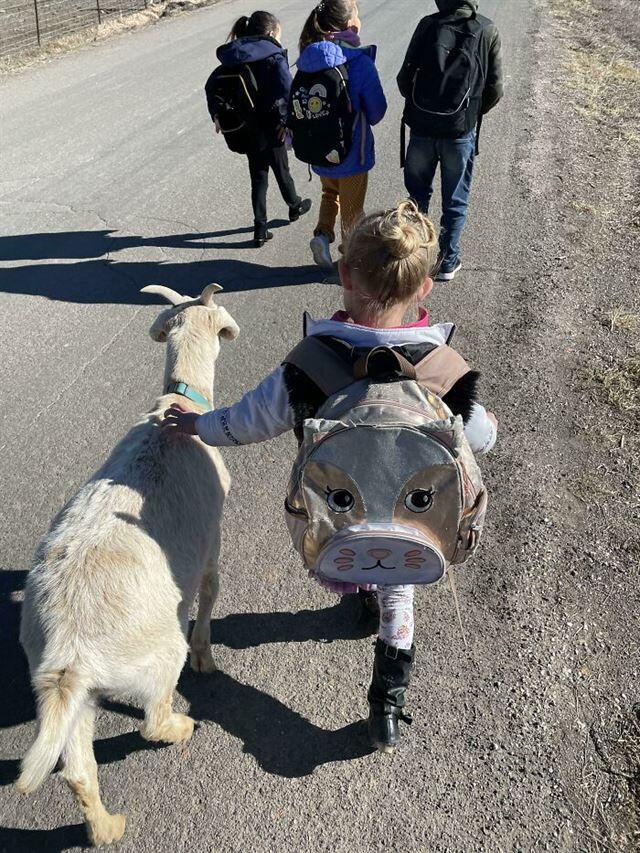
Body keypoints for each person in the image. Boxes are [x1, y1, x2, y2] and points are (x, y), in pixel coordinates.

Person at [162, 201, 497, 751]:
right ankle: (387, 703)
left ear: (344, 274)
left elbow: (247, 422)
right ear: (425, 289)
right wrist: (489, 424)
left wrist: (198, 422)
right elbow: (477, 439)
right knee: (400, 596)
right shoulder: (444, 370)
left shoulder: (312, 362)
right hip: (415, 524)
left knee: (356, 530)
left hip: (335, 521)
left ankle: (360, 584)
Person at [397, 0, 503, 280]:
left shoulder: (428, 25)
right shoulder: (487, 30)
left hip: (421, 128)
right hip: (459, 131)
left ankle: (413, 257)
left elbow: (403, 79)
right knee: (455, 200)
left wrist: (422, 105)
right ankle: (447, 262)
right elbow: (495, 88)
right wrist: (470, 111)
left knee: (417, 196)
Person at [296, 1, 387, 270]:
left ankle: (322, 235)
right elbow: (377, 111)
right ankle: (348, 261)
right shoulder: (359, 62)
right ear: (351, 25)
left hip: (321, 151)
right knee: (352, 211)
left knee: (329, 193)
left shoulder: (308, 59)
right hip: (351, 155)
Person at [212, 11, 311, 247]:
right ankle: (294, 206)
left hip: (247, 130)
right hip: (272, 127)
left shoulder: (235, 57)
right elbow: (287, 92)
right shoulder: (273, 57)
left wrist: (216, 113)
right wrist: (289, 122)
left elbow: (213, 85)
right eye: (278, 33)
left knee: (258, 179)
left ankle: (260, 229)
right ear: (269, 33)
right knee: (282, 171)